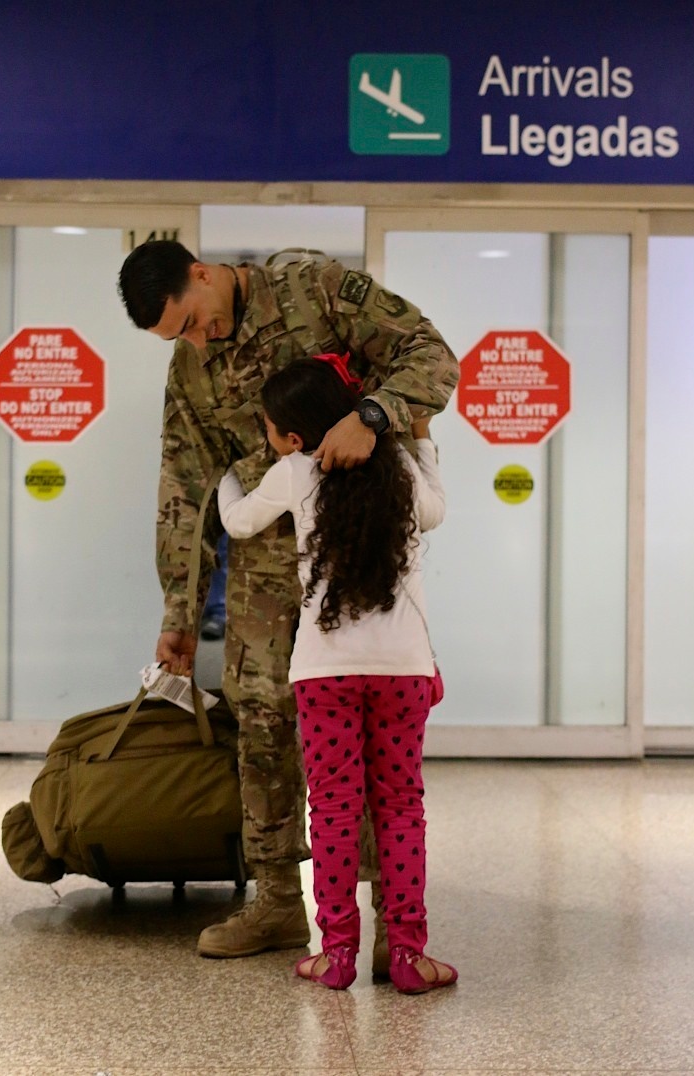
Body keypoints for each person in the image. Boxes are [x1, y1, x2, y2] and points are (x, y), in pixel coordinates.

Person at [117, 240, 458, 971]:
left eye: (193, 321)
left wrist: (371, 415)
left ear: (202, 275)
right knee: (264, 720)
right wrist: (179, 610)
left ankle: (389, 923)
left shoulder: (318, 289)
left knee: (369, 738)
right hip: (266, 558)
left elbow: (431, 355)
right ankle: (275, 902)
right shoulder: (190, 366)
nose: (197, 340)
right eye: (177, 337)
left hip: (354, 542)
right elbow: (186, 482)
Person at [218, 357, 456, 994]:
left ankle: (338, 954)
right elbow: (435, 512)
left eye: (270, 429)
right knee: (401, 808)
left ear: (294, 438)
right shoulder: (399, 466)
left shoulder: (294, 473)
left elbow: (238, 522)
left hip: (324, 676)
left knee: (332, 812)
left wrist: (223, 482)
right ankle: (407, 954)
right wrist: (425, 437)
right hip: (404, 670)